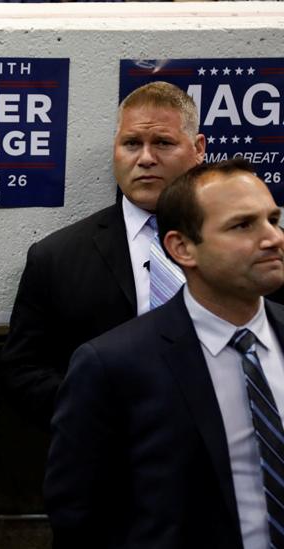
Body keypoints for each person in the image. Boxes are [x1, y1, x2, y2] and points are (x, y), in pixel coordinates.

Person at [45, 159, 284, 548]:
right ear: (182, 248)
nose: (273, 237)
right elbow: (79, 519)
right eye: (243, 225)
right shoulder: (113, 365)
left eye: (273, 219)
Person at [0, 81, 206, 428]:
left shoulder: (245, 245)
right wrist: (95, 413)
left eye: (163, 143)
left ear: (198, 148)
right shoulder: (56, 258)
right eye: (131, 144)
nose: (145, 158)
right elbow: (23, 371)